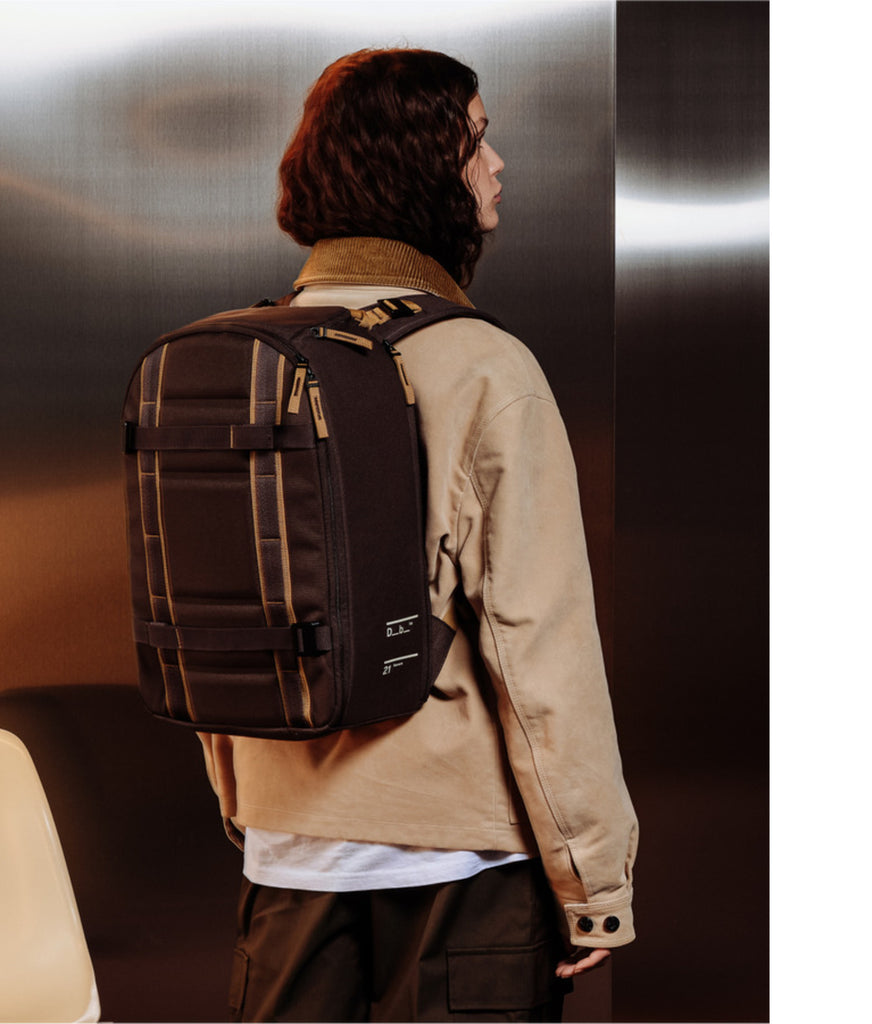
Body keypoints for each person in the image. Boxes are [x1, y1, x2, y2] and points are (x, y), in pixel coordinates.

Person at [197, 47, 638, 1023]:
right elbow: (541, 652)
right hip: (463, 871)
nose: (498, 164)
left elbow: (220, 615)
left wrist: (255, 807)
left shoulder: (240, 358)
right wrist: (594, 883)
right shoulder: (482, 365)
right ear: (421, 167)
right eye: (477, 139)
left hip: (286, 858)